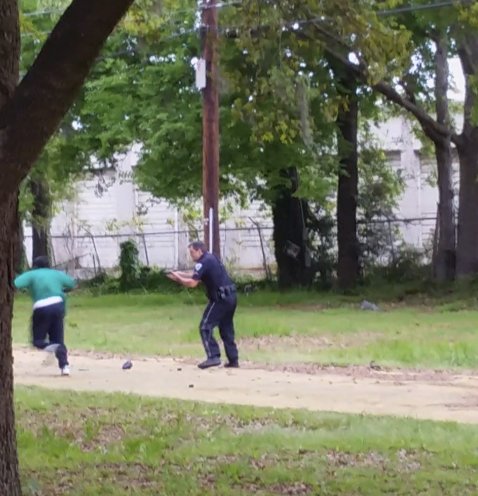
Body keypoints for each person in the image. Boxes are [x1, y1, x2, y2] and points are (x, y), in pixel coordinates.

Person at [167, 241, 239, 369]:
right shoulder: (210, 258)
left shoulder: (202, 262)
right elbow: (194, 274)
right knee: (226, 328)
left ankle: (213, 356)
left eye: (192, 252)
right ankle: (233, 360)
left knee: (205, 326)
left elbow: (192, 283)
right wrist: (178, 273)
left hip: (220, 299)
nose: (191, 255)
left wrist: (178, 279)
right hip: (231, 297)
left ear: (199, 250)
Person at [14, 256, 76, 376]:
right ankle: (64, 366)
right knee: (58, 339)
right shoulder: (56, 274)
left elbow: (15, 284)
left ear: (35, 266)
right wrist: (62, 289)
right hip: (58, 305)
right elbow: (72, 284)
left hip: (42, 306)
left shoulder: (31, 274)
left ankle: (54, 347)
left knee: (37, 341)